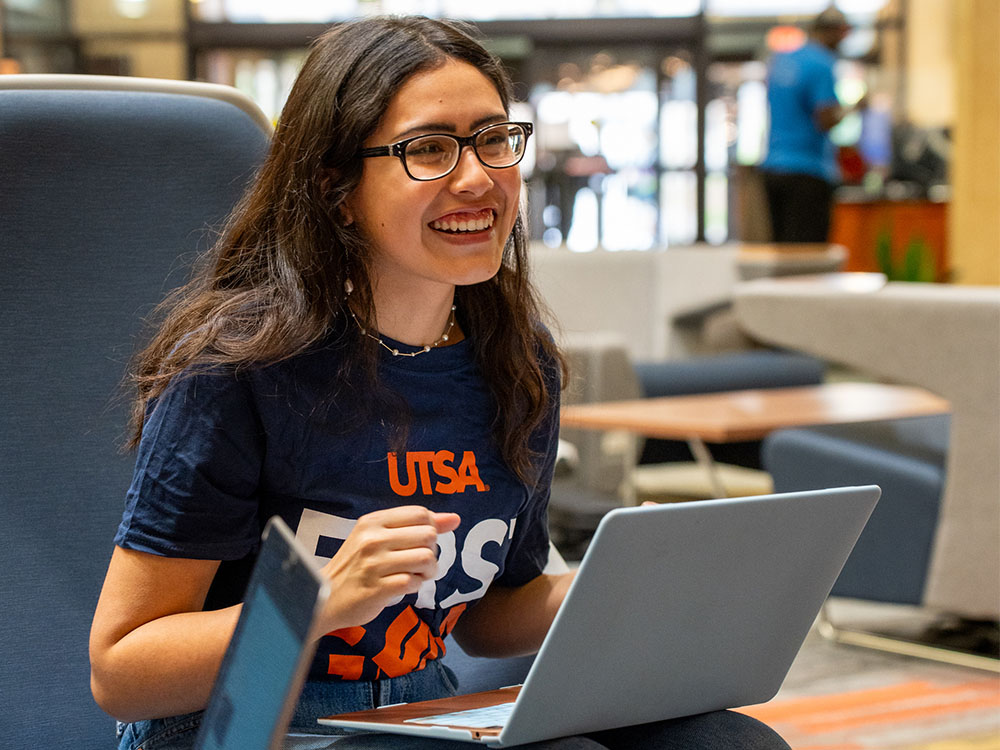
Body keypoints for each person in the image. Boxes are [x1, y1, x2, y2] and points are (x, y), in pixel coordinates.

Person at [89, 16, 790, 750]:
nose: (477, 178)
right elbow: (123, 671)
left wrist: (603, 582)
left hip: (414, 717)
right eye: (428, 149)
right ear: (336, 188)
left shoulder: (516, 362)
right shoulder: (237, 369)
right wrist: (313, 603)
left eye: (493, 138)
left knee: (733, 743)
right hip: (245, 721)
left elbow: (488, 618)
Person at [760, 7, 865, 243]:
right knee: (808, 256)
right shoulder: (822, 64)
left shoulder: (781, 61)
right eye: (842, 34)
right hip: (807, 171)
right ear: (831, 32)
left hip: (773, 169)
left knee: (783, 250)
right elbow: (825, 119)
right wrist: (855, 108)